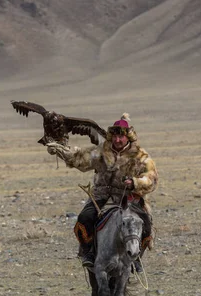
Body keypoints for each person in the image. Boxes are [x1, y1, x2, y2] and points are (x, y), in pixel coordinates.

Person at [46, 113, 158, 271]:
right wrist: (62, 152)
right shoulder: (100, 152)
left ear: (128, 138)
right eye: (115, 137)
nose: (117, 140)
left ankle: (136, 257)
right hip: (101, 197)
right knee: (84, 219)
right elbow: (81, 159)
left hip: (129, 198)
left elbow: (151, 178)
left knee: (145, 224)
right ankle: (88, 253)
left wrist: (135, 182)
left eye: (121, 137)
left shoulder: (141, 157)